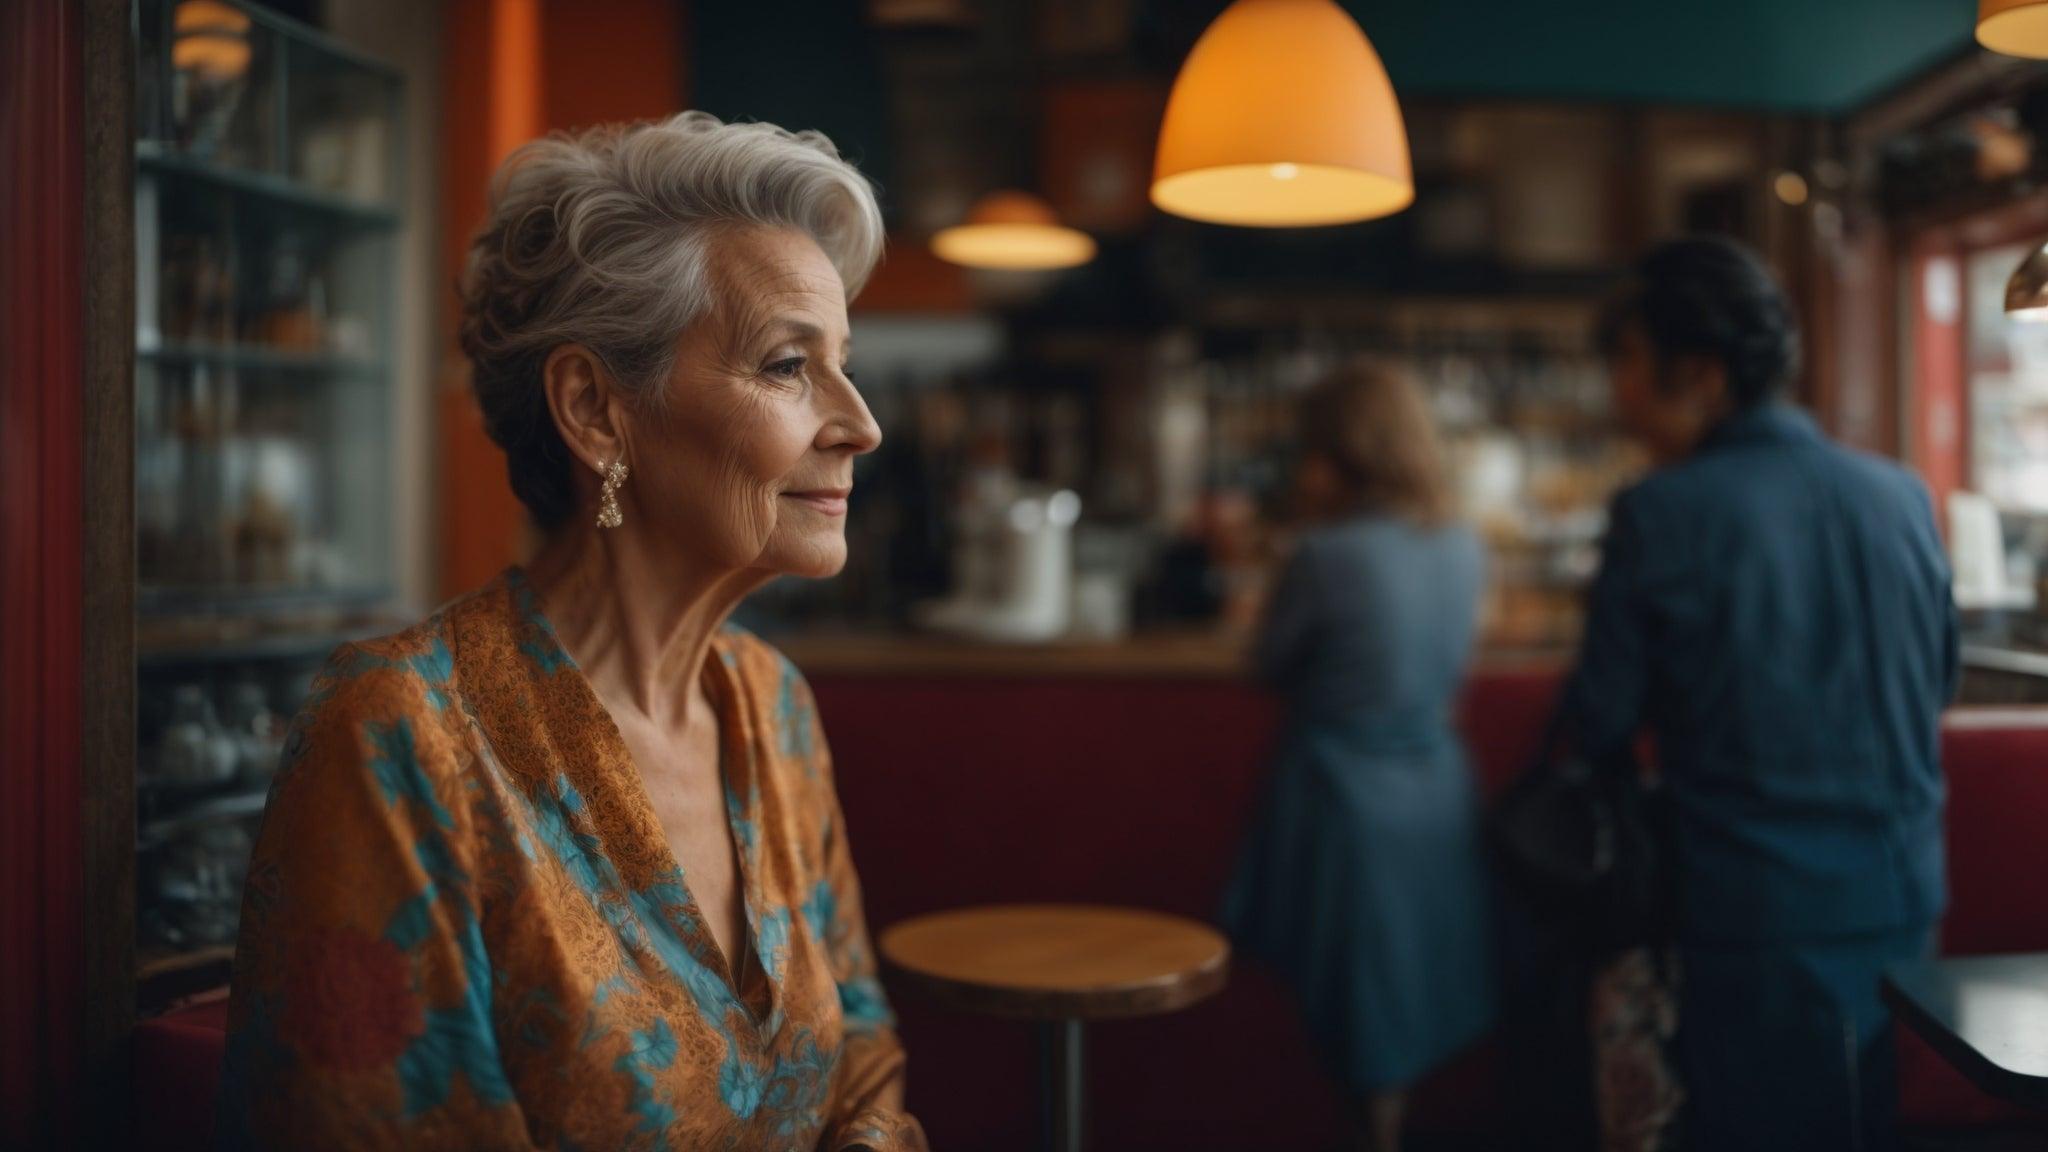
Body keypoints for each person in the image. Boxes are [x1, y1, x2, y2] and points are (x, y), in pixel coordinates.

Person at [219, 112, 924, 1150]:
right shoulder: (401, 740)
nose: (860, 422)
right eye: (786, 366)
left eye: (843, 363)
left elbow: (860, 1044)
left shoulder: (772, 706)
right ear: (595, 410)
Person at [1560, 236, 1958, 1151]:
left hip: (1753, 907)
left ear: (1698, 372)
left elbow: (1601, 721)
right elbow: (1935, 682)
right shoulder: (1899, 495)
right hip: (1905, 893)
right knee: (1870, 1126)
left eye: (1625, 361)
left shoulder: (1660, 512)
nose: (1616, 392)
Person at [1221, 362, 1495, 1152]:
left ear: (1342, 454)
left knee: (1361, 1018)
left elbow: (1268, 665)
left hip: (1346, 804)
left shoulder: (1327, 555)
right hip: (1439, 794)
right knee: (1406, 1006)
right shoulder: (1463, 545)